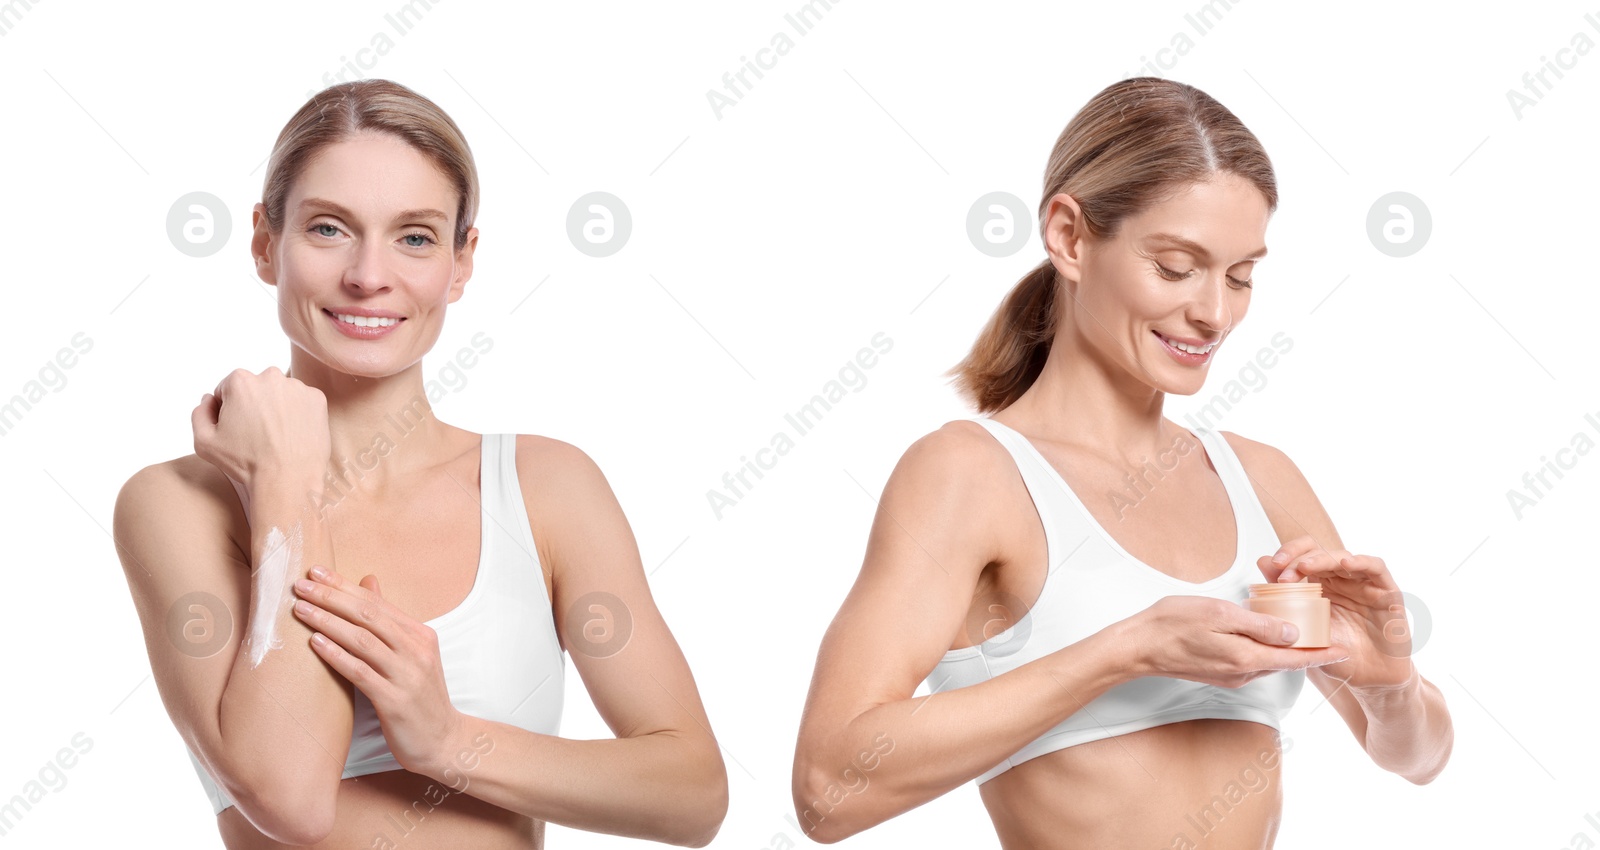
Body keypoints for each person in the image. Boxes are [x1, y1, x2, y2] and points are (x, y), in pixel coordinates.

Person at [791, 76, 1452, 848]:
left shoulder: (1259, 478)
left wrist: (1388, 682)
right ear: (1070, 237)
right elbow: (827, 788)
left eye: (1240, 276)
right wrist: (1123, 651)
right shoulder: (970, 475)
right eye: (1177, 267)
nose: (1215, 312)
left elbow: (1418, 759)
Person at [113, 79, 727, 849]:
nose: (370, 276)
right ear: (266, 242)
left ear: (462, 262)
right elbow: (289, 799)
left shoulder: (544, 488)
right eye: (330, 228)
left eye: (415, 237)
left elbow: (692, 793)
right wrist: (290, 488)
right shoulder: (177, 505)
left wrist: (446, 742)